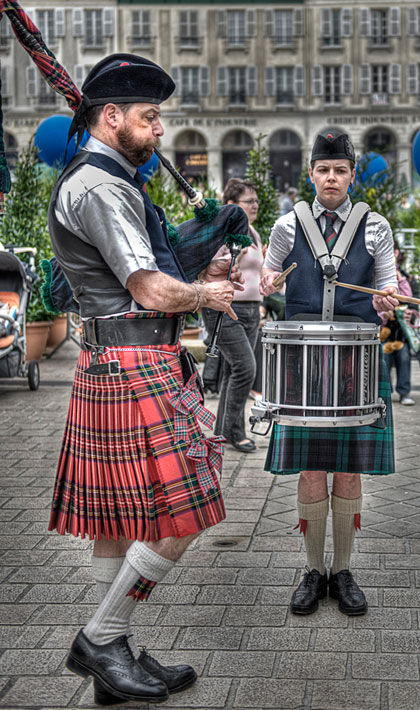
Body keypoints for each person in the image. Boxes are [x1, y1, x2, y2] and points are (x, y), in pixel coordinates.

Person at [47, 54, 244, 706]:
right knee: (185, 514)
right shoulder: (100, 188)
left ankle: (115, 657)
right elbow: (151, 288)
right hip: (133, 364)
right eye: (149, 117)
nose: (160, 130)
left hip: (116, 363)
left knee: (118, 517)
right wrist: (207, 294)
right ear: (111, 117)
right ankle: (104, 635)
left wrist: (204, 245)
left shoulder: (113, 180)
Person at [261, 128, 398, 617]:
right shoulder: (285, 226)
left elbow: (385, 289)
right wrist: (267, 281)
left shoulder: (376, 227)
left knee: (350, 468)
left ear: (352, 175)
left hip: (355, 364)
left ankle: (343, 570)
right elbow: (266, 280)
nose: (332, 177)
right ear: (311, 173)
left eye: (341, 170)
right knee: (311, 468)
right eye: (324, 169)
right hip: (302, 362)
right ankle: (312, 570)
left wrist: (386, 300)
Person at [201, 178, 265, 453]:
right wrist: (232, 259)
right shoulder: (224, 232)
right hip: (225, 308)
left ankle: (222, 431)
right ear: (230, 204)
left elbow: (257, 271)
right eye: (248, 201)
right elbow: (210, 268)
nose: (255, 206)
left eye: (256, 201)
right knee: (245, 368)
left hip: (251, 309)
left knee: (232, 370)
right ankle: (234, 431)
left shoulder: (251, 231)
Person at [382, 245, 416, 406]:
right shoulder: (377, 275)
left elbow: (411, 300)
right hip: (383, 331)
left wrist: (411, 316)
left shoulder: (406, 278)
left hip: (401, 332)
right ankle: (384, 394)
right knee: (383, 358)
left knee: (403, 356)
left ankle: (404, 393)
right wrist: (383, 314)